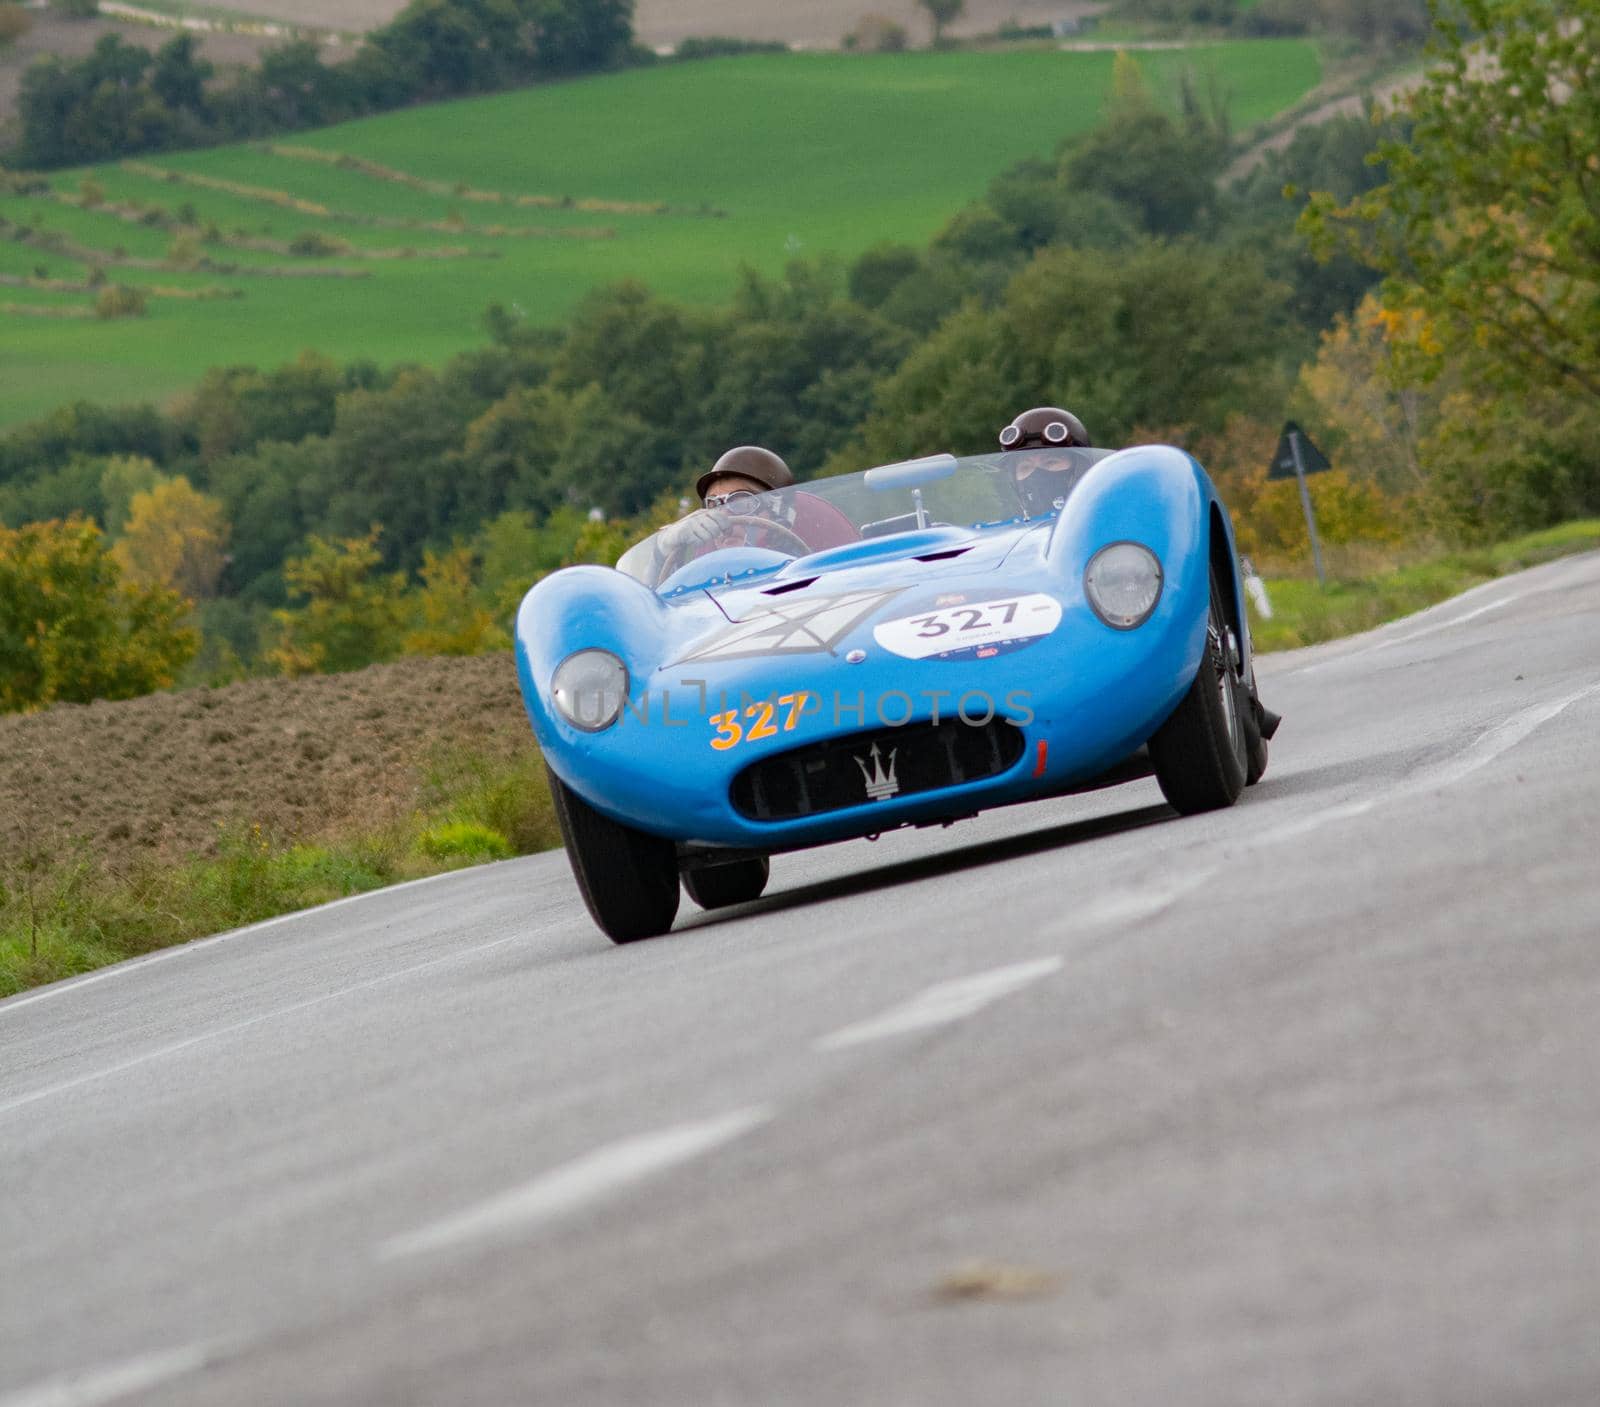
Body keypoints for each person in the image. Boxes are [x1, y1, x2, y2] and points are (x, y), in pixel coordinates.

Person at [997, 405, 1092, 517]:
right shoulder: (1005, 532)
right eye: (1026, 467)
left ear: (1081, 467)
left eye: (1050, 462)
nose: (1037, 474)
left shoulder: (1109, 524)